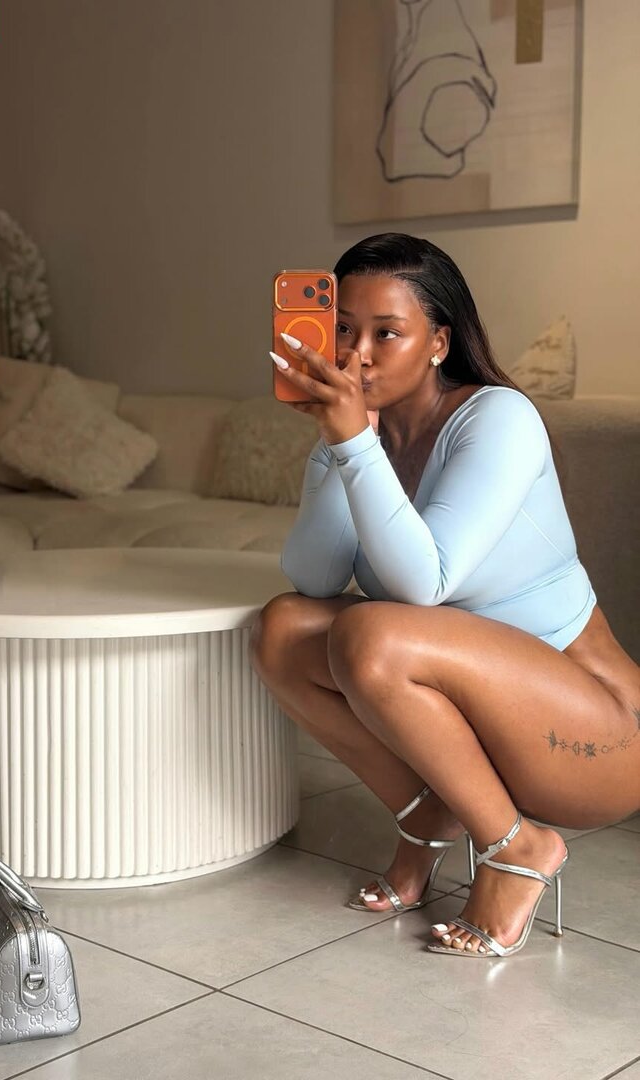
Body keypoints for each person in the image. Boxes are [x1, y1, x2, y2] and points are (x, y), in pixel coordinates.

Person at [249, 233, 640, 958]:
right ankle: (427, 815)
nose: (357, 354)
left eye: (386, 333)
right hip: (492, 723)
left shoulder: (498, 419)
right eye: (343, 330)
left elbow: (421, 586)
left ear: (438, 343)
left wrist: (352, 445)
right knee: (283, 628)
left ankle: (517, 846)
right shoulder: (356, 435)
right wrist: (343, 447)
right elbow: (316, 578)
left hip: (603, 737)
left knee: (372, 635)